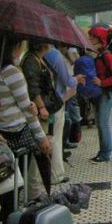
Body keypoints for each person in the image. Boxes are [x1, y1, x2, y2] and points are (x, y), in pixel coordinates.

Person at [0, 37, 53, 224]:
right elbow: (26, 108)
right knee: (17, 185)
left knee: (5, 184)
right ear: (16, 47)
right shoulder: (12, 72)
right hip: (17, 132)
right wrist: (41, 138)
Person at [21, 40, 58, 198]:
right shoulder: (31, 61)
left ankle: (36, 188)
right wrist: (41, 106)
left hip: (45, 109)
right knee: (39, 150)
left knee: (44, 148)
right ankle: (33, 192)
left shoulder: (39, 59)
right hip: (38, 111)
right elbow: (33, 87)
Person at [44, 45, 84, 183]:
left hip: (44, 102)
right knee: (55, 138)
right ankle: (56, 174)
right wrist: (76, 79)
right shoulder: (54, 55)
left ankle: (48, 173)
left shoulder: (31, 56)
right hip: (57, 100)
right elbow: (66, 79)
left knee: (47, 137)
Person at [88, 26, 112, 163]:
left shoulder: (106, 55)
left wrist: (102, 83)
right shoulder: (97, 54)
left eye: (92, 37)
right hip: (99, 93)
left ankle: (105, 154)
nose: (90, 39)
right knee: (100, 123)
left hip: (106, 93)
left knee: (103, 124)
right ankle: (102, 152)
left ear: (100, 39)